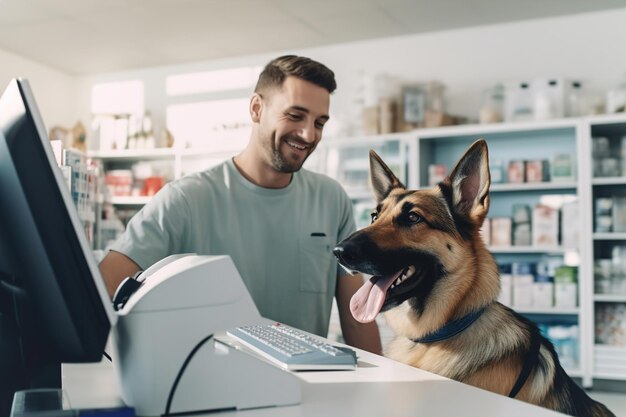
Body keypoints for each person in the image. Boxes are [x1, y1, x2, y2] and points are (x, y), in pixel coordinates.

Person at [99, 55, 382, 354]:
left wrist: (382, 389)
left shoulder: (330, 199)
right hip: (210, 393)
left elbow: (357, 318)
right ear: (257, 108)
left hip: (307, 389)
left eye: (319, 122)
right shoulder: (185, 200)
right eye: (295, 115)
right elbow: (104, 288)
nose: (309, 134)